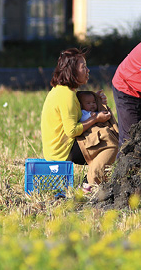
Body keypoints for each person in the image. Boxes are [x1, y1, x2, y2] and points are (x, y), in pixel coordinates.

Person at [41, 48, 117, 191]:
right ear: (72, 70)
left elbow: (82, 107)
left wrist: (97, 100)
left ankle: (93, 180)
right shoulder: (66, 95)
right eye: (83, 67)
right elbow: (72, 131)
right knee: (111, 145)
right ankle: (89, 183)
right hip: (63, 149)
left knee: (106, 135)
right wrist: (95, 119)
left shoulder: (64, 90)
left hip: (64, 144)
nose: (88, 70)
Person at [75, 90, 119, 187]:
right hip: (88, 137)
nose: (92, 105)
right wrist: (94, 117)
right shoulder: (84, 113)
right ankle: (91, 180)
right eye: (88, 103)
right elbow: (83, 119)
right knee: (110, 145)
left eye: (94, 102)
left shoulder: (94, 111)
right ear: (81, 105)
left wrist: (100, 102)